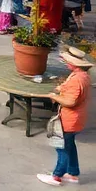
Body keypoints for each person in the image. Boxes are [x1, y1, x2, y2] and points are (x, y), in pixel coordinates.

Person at [37, 46, 92, 186]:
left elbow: (70, 101)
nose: (65, 62)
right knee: (69, 145)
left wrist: (54, 96)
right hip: (78, 118)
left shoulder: (76, 80)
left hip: (70, 118)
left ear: (73, 63)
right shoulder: (82, 76)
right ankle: (73, 173)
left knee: (62, 147)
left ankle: (57, 175)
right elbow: (72, 90)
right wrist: (61, 88)